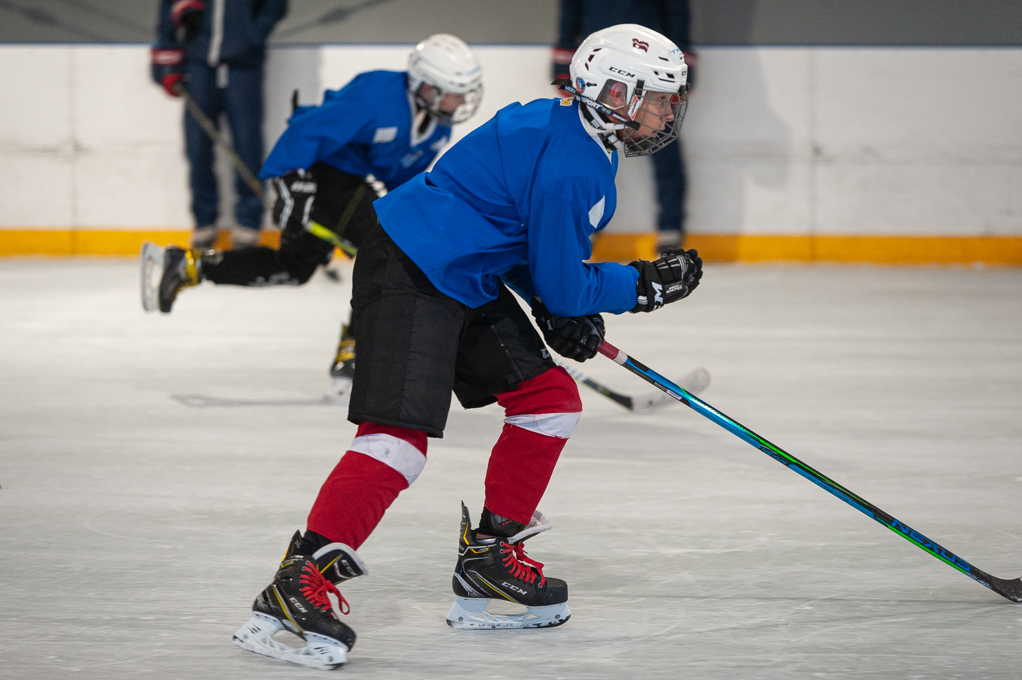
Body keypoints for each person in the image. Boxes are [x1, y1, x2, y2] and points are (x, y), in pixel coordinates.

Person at [231, 24, 702, 670]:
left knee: (549, 399)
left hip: (461, 268)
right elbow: (564, 279)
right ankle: (297, 583)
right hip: (411, 266)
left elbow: (513, 227)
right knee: (397, 441)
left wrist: (554, 298)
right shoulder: (577, 166)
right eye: (655, 97)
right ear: (612, 91)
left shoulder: (572, 130)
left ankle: (488, 559)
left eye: (669, 99)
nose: (666, 111)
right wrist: (639, 286)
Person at [152, 34, 484, 397]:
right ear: (425, 85)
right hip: (320, 173)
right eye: (453, 92)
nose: (460, 102)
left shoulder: (439, 124)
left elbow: (401, 180)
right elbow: (307, 130)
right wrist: (286, 179)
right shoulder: (376, 96)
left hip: (352, 183)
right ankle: (354, 351)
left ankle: (189, 265)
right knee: (388, 255)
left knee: (295, 268)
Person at [554, 0, 697, 250]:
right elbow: (571, 9)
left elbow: (677, 11)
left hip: (651, 70)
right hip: (600, 69)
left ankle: (670, 226)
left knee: (661, 141)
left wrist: (682, 64)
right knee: (589, 147)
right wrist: (563, 58)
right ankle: (584, 220)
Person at [151, 0, 287, 249]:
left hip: (243, 66)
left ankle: (249, 221)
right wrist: (166, 58)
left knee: (247, 145)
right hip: (198, 63)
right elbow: (168, 10)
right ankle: (204, 221)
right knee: (197, 147)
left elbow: (275, 4)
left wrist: (252, 35)